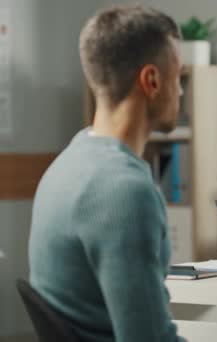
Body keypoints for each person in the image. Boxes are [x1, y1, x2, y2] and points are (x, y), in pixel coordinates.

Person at [29, 5, 186, 341]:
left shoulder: (67, 164)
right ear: (152, 81)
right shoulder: (125, 192)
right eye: (178, 77)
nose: (182, 92)